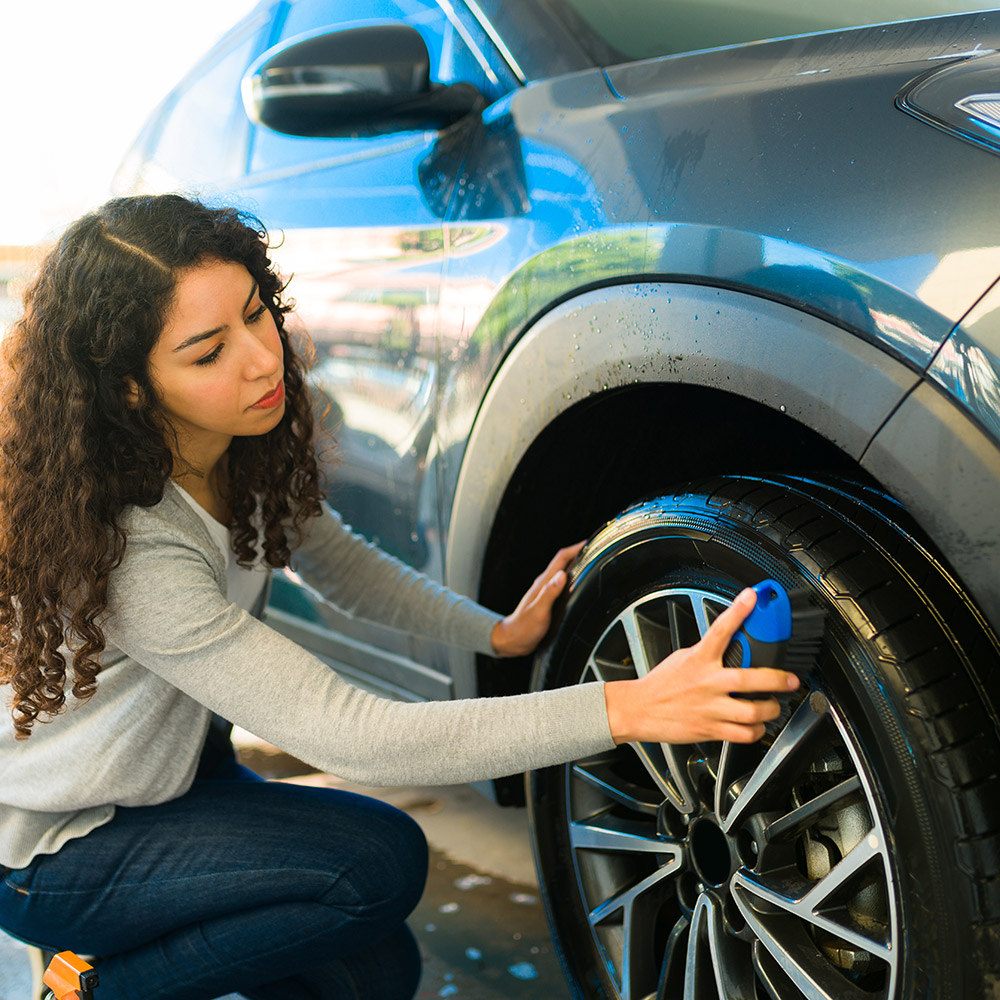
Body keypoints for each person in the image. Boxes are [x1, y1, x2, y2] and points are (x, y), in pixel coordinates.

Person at [0, 194, 799, 1000]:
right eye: (208, 353)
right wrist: (629, 707)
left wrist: (500, 634)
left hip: (173, 782)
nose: (261, 360)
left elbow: (345, 566)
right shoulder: (139, 541)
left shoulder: (231, 449)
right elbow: (350, 734)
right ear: (132, 389)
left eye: (255, 314)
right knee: (375, 862)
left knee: (372, 973)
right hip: (60, 848)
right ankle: (95, 988)